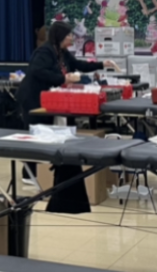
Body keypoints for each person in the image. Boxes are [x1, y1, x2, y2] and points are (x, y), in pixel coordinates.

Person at [16, 21, 118, 214]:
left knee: (52, 132)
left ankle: (52, 170)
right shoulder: (45, 52)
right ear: (59, 36)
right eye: (69, 35)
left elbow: (78, 65)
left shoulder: (63, 53)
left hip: (49, 99)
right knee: (36, 133)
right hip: (33, 99)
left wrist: (102, 64)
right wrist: (63, 79)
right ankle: (28, 173)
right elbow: (38, 71)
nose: (72, 37)